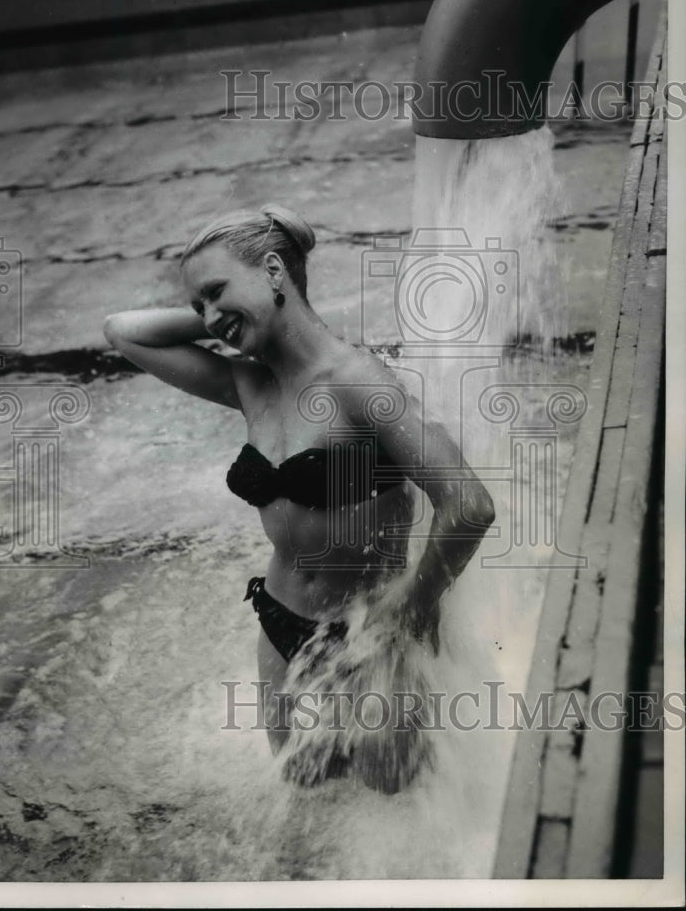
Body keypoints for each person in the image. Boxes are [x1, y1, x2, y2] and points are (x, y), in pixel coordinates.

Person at [103, 203, 495, 791]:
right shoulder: (251, 382)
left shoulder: (360, 383)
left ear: (272, 270)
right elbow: (123, 332)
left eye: (215, 291)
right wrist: (220, 317)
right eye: (198, 305)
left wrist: (414, 604)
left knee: (395, 799)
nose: (210, 315)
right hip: (281, 623)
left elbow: (468, 504)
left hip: (370, 631)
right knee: (305, 792)